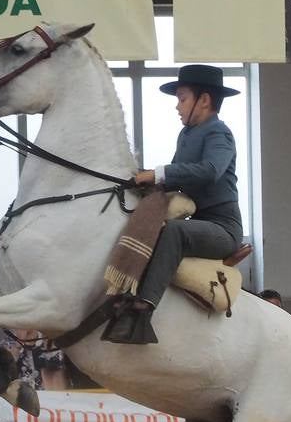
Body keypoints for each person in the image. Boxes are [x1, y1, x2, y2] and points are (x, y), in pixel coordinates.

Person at [103, 64, 244, 344]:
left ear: (204, 100)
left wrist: (157, 174)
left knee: (173, 232)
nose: (177, 107)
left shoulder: (219, 133)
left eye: (182, 99)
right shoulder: (187, 134)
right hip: (198, 220)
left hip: (222, 228)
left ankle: (143, 309)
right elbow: (175, 177)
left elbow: (209, 170)